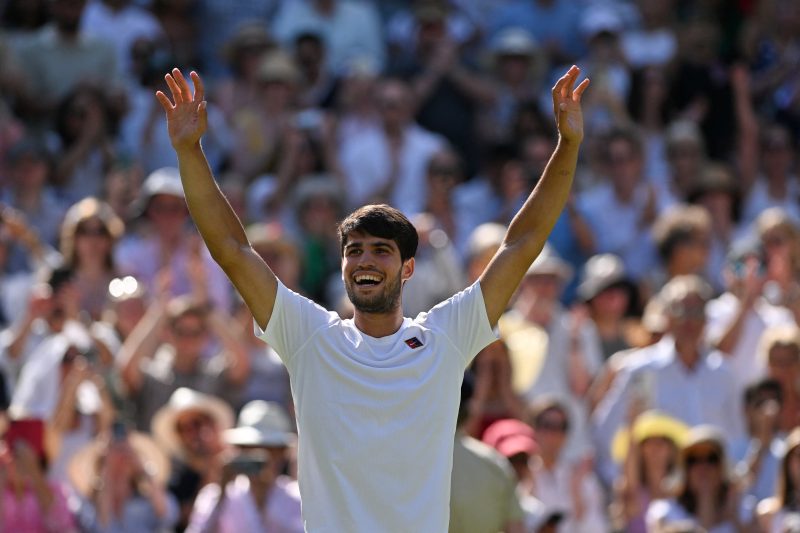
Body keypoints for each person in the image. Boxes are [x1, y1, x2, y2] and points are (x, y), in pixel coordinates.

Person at [156, 64, 588, 530]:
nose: (365, 260)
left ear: (408, 268)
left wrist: (567, 145)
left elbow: (522, 243)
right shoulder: (309, 337)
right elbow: (233, 250)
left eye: (381, 251)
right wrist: (189, 152)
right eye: (354, 250)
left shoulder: (445, 337)